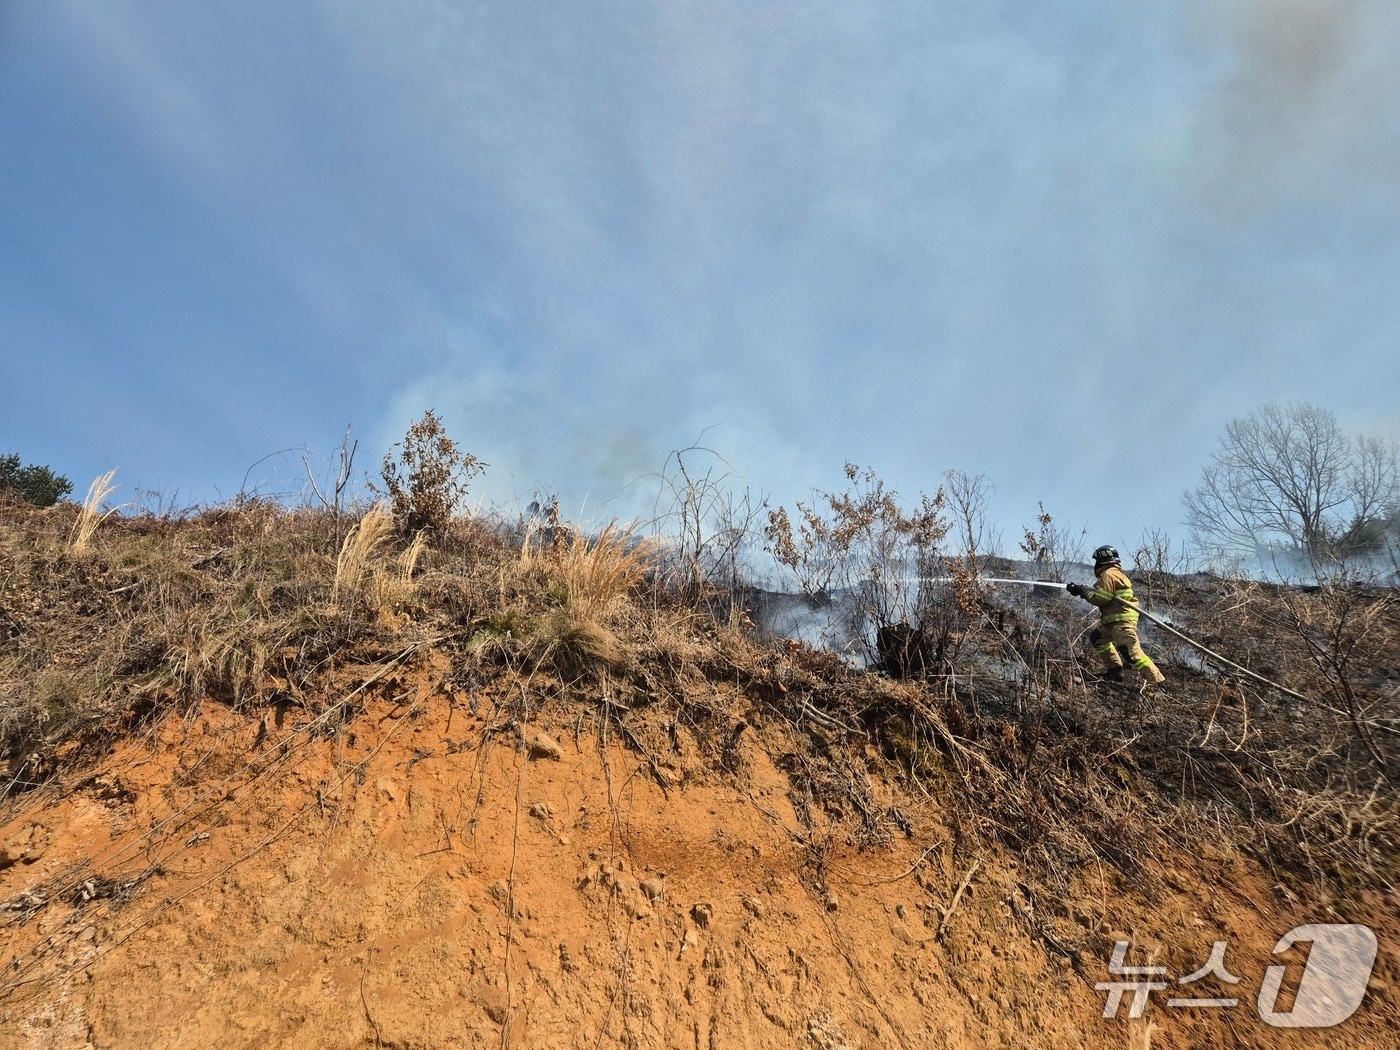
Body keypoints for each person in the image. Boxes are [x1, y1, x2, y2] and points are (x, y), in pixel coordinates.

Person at [1066, 545, 1165, 686]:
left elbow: (1101, 598)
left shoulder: (1108, 574)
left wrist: (1084, 592)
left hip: (1121, 621)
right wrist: (1081, 589)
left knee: (1132, 654)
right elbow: (1104, 595)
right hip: (1113, 622)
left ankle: (1157, 682)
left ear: (1102, 560)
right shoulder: (1114, 574)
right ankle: (1115, 671)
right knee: (1098, 638)